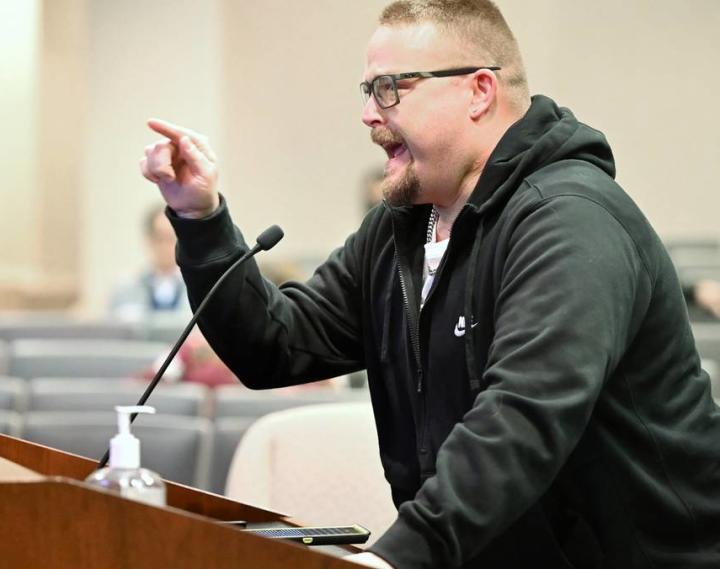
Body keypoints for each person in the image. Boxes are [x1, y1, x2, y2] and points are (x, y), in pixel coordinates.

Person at [139, 1, 720, 567]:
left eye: (391, 88)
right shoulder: (402, 230)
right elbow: (273, 345)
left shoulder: (572, 220)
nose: (369, 114)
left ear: (479, 91)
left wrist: (394, 558)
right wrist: (201, 219)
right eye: (366, 91)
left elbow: (520, 420)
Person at [108, 203, 193, 327]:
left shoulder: (197, 288)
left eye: (171, 238)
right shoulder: (125, 288)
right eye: (160, 238)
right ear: (149, 240)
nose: (166, 246)